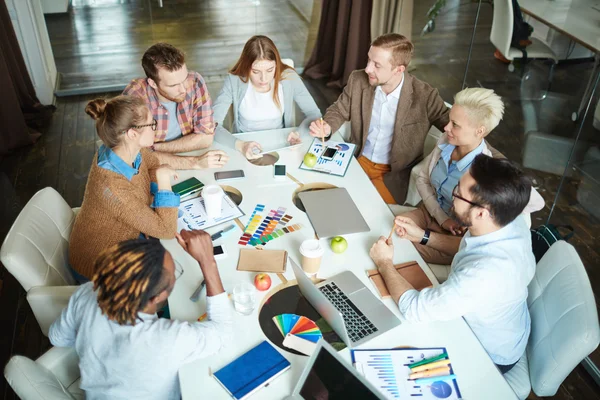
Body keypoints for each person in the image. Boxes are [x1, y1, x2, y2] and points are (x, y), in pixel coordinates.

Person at [369, 155, 536, 374]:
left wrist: (383, 262)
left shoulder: (484, 274)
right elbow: (468, 248)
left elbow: (413, 309)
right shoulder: (509, 221)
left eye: (458, 192)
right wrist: (422, 236)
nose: (451, 194)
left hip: (487, 353)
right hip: (498, 322)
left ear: (481, 213)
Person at [50, 230, 232, 399]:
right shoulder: (169, 338)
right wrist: (207, 261)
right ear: (158, 296)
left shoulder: (88, 292)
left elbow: (57, 338)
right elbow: (224, 333)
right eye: (173, 274)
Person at [401, 87, 544, 264]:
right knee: (394, 229)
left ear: (479, 131)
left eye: (455, 125)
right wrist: (441, 217)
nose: (445, 128)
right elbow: (422, 179)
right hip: (429, 211)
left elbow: (536, 202)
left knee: (402, 247)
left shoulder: (486, 174)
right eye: (449, 121)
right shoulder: (446, 141)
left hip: (455, 237)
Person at [308, 33, 449, 204]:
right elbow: (339, 109)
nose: (368, 69)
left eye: (377, 65)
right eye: (368, 60)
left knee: (365, 211)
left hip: (392, 175)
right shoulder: (358, 80)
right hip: (357, 160)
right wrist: (327, 126)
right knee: (319, 198)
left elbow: (453, 127)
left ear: (399, 69)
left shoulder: (425, 96)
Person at [69, 96, 179, 280]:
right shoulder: (113, 187)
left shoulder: (124, 148)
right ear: (132, 133)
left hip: (128, 238)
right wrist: (163, 182)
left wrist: (159, 175)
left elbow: (152, 164)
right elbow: (167, 230)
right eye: (152, 124)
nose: (155, 127)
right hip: (100, 265)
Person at [213, 35, 322, 160]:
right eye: (255, 72)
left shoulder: (289, 77)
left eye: (270, 70)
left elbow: (314, 114)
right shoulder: (234, 81)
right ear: (246, 67)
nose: (264, 79)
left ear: (276, 65)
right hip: (245, 148)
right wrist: (240, 145)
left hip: (284, 145)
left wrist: (298, 134)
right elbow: (213, 126)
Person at [123, 42, 229, 169]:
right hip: (154, 167)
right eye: (173, 85)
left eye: (184, 79)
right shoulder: (135, 96)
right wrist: (194, 162)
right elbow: (135, 154)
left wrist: (154, 148)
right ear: (153, 83)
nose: (183, 89)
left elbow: (206, 138)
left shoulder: (194, 81)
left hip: (188, 155)